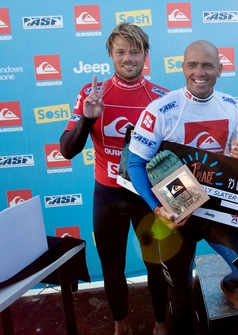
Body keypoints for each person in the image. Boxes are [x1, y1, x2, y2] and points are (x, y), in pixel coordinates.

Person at [126, 40, 238, 331]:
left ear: (220, 69)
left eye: (208, 65)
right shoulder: (161, 110)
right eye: (192, 65)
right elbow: (135, 164)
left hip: (216, 213)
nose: (200, 72)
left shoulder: (230, 107)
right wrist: (157, 208)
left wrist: (237, 160)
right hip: (175, 217)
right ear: (182, 68)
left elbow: (235, 163)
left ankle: (228, 286)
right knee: (181, 294)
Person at [59, 22, 169, 335]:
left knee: (155, 266)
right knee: (112, 267)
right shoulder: (92, 94)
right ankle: (122, 324)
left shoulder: (161, 98)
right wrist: (86, 119)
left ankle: (161, 322)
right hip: (107, 194)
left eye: (135, 51)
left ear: (146, 55)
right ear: (110, 54)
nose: (128, 58)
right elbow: (67, 150)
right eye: (121, 51)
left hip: (146, 197)